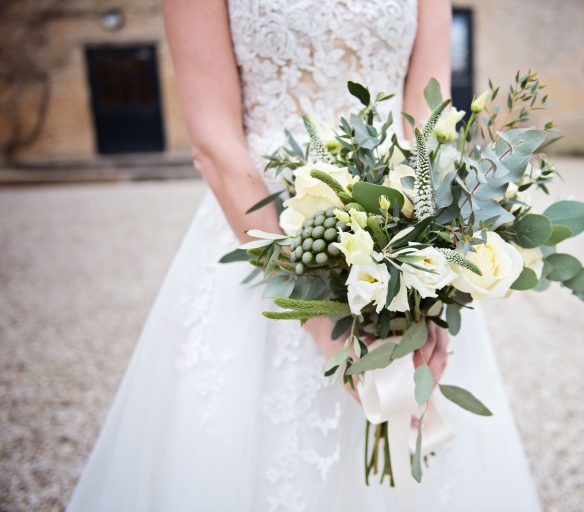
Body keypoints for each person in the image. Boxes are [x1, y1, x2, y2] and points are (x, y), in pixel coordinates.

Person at [67, 1, 540, 510]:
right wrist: (317, 317)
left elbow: (429, 121)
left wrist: (433, 282)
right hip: (262, 229)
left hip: (397, 227)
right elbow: (214, 145)